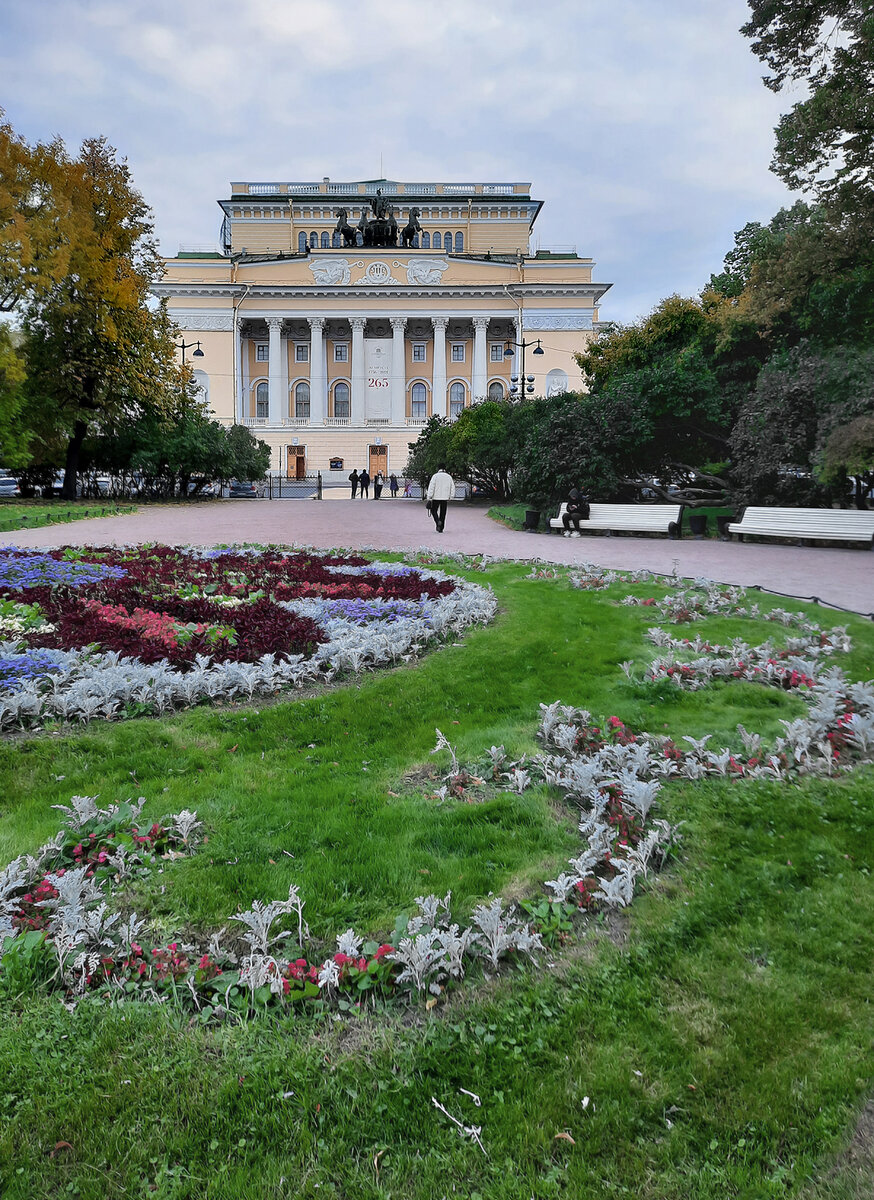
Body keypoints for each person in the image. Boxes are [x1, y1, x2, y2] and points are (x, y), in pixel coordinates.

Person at [426, 465, 455, 534]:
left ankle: (437, 521)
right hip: (445, 497)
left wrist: (429, 496)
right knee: (443, 513)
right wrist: (451, 496)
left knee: (433, 510)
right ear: (445, 468)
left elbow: (431, 487)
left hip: (436, 497)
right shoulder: (449, 477)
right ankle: (441, 528)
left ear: (438, 468)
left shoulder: (435, 476)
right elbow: (452, 487)